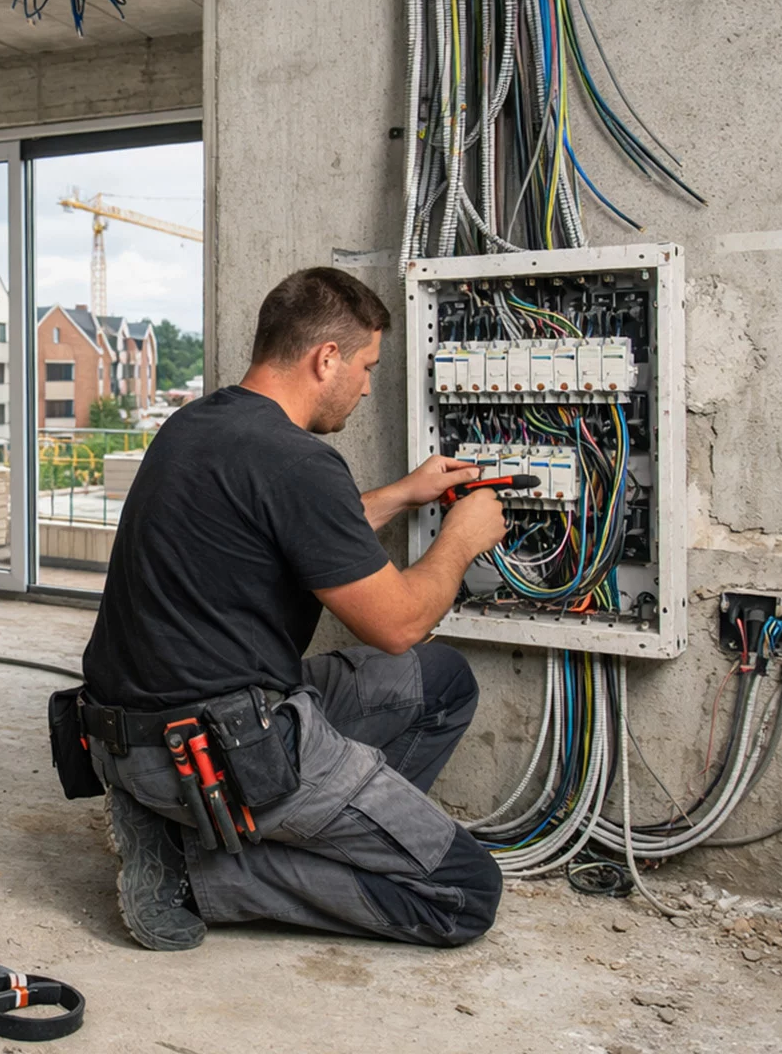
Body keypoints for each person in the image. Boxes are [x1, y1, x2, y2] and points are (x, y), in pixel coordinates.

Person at [75, 266, 509, 952]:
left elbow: (301, 534)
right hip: (220, 746)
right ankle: (201, 872)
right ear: (325, 358)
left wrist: (403, 494)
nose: (367, 386)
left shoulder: (199, 424)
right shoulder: (298, 461)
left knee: (441, 681)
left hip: (129, 736)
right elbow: (396, 623)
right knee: (463, 892)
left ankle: (251, 828)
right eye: (365, 366)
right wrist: (460, 541)